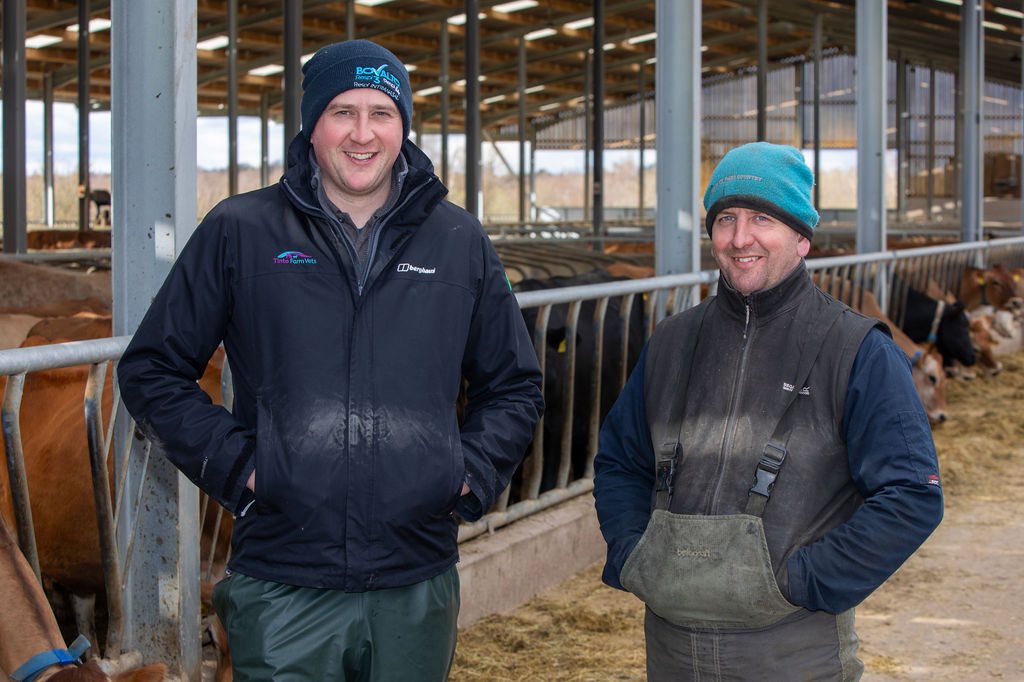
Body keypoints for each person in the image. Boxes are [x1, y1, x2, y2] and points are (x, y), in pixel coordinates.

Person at [117, 39, 543, 681]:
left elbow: (514, 386)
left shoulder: (459, 241)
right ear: (312, 125)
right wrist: (244, 469)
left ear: (403, 126)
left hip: (415, 578)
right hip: (284, 580)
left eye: (381, 112)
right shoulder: (241, 230)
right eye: (343, 111)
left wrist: (465, 472)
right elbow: (151, 368)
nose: (363, 134)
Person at [593, 141, 943, 680]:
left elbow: (913, 495)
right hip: (670, 652)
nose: (740, 238)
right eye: (726, 219)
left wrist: (803, 581)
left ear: (801, 238)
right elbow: (620, 461)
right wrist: (635, 554)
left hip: (792, 652)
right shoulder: (671, 342)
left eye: (763, 218)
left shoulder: (857, 349)